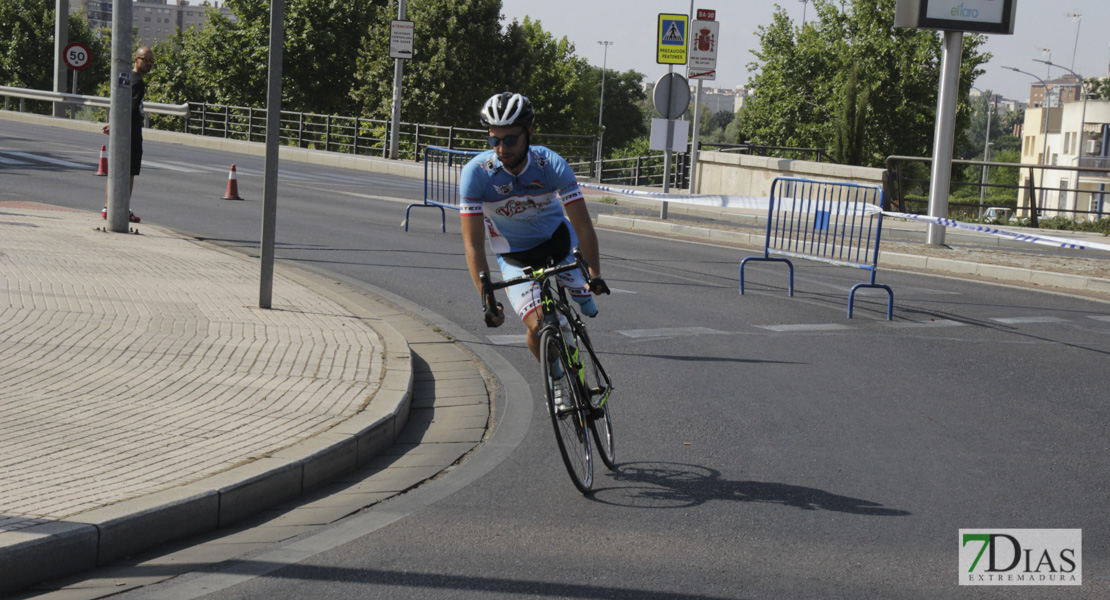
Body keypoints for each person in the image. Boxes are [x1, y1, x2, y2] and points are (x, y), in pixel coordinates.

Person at [459, 92, 610, 410]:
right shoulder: (477, 173)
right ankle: (556, 374)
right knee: (539, 327)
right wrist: (487, 299)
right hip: (515, 256)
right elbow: (473, 244)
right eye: (494, 140)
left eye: (510, 139)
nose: (502, 149)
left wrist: (595, 273)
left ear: (529, 133)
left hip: (558, 245)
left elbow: (583, 226)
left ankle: (579, 305)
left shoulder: (549, 163)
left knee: (589, 307)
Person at [101, 46, 154, 223]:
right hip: (131, 132)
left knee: (115, 169)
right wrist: (116, 125)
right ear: (136, 59)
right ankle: (122, 209)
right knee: (130, 171)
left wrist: (113, 124)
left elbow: (120, 102)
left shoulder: (126, 77)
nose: (148, 64)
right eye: (145, 59)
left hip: (123, 130)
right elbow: (130, 107)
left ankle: (108, 207)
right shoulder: (138, 82)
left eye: (151, 61)